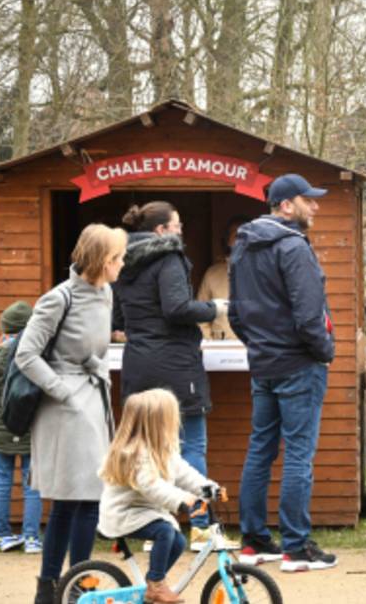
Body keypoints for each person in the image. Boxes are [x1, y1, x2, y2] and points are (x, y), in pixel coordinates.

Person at [229, 173, 337, 572]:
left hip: (263, 365)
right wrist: (324, 351)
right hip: (298, 364)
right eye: (309, 200)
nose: (316, 206)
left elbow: (236, 313)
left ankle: (255, 541)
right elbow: (310, 314)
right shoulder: (293, 246)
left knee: (260, 449)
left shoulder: (242, 247)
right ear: (286, 205)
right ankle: (295, 547)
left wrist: (258, 345)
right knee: (298, 455)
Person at [17, 223, 126, 604]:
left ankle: (61, 587)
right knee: (80, 497)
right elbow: (25, 354)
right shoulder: (57, 298)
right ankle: (70, 586)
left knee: (76, 499)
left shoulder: (106, 292)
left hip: (93, 402)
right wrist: (63, 390)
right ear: (102, 261)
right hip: (65, 408)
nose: (122, 264)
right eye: (117, 258)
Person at [114, 201, 226, 550]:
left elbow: (118, 320)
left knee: (148, 449)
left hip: (137, 365)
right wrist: (215, 308)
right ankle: (202, 528)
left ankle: (153, 528)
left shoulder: (122, 261)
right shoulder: (169, 258)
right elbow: (177, 308)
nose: (181, 232)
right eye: (177, 225)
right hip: (176, 365)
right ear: (162, 231)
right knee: (191, 444)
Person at [98, 388, 221, 604]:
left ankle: (155, 581)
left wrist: (207, 487)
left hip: (145, 510)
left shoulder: (162, 448)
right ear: (155, 422)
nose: (175, 424)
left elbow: (183, 472)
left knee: (178, 541)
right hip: (123, 513)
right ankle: (155, 585)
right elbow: (152, 486)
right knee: (165, 532)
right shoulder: (135, 453)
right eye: (170, 419)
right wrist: (183, 500)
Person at [0, 300, 42, 554]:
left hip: (1, 432)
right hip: (29, 430)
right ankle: (32, 538)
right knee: (31, 484)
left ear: (6, 329)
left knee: (2, 481)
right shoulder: (35, 356)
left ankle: (3, 535)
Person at [197, 216, 250, 341]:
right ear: (227, 240)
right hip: (219, 348)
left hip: (255, 348)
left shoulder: (263, 271)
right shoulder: (213, 274)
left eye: (245, 235)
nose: (240, 239)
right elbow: (200, 314)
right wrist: (209, 343)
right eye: (236, 235)